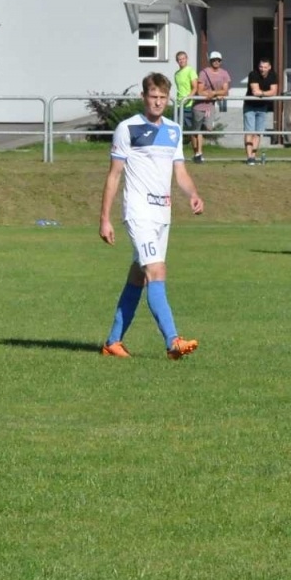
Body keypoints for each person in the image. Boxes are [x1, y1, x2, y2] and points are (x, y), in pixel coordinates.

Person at [98, 73, 204, 359]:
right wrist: (104, 218)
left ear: (168, 99)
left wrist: (192, 194)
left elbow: (179, 171)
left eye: (162, 97)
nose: (157, 102)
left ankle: (113, 342)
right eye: (153, 97)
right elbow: (114, 175)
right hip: (139, 212)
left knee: (138, 277)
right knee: (156, 271)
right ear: (144, 97)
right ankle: (173, 341)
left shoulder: (173, 130)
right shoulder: (128, 129)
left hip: (163, 214)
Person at [191, 51, 230, 164]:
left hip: (210, 106)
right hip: (199, 105)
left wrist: (213, 93)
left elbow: (225, 90)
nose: (216, 62)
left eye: (218, 60)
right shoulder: (204, 73)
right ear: (210, 61)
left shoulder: (224, 73)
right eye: (214, 60)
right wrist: (215, 94)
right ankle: (198, 153)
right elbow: (200, 91)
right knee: (196, 131)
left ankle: (198, 153)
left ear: (221, 61)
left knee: (208, 128)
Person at [243, 57, 279, 165]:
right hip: (250, 106)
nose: (262, 69)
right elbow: (255, 91)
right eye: (261, 67)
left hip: (263, 107)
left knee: (258, 133)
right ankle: (249, 157)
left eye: (265, 67)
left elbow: (274, 92)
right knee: (249, 132)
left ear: (269, 67)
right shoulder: (253, 74)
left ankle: (253, 156)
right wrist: (266, 93)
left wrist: (262, 93)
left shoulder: (273, 75)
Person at [172, 51, 198, 141]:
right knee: (176, 129)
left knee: (192, 130)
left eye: (183, 59)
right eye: (179, 59)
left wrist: (187, 99)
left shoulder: (190, 71)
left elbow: (195, 88)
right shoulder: (177, 74)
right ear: (177, 61)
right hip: (178, 105)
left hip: (188, 105)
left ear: (186, 59)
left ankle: (197, 152)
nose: (181, 61)